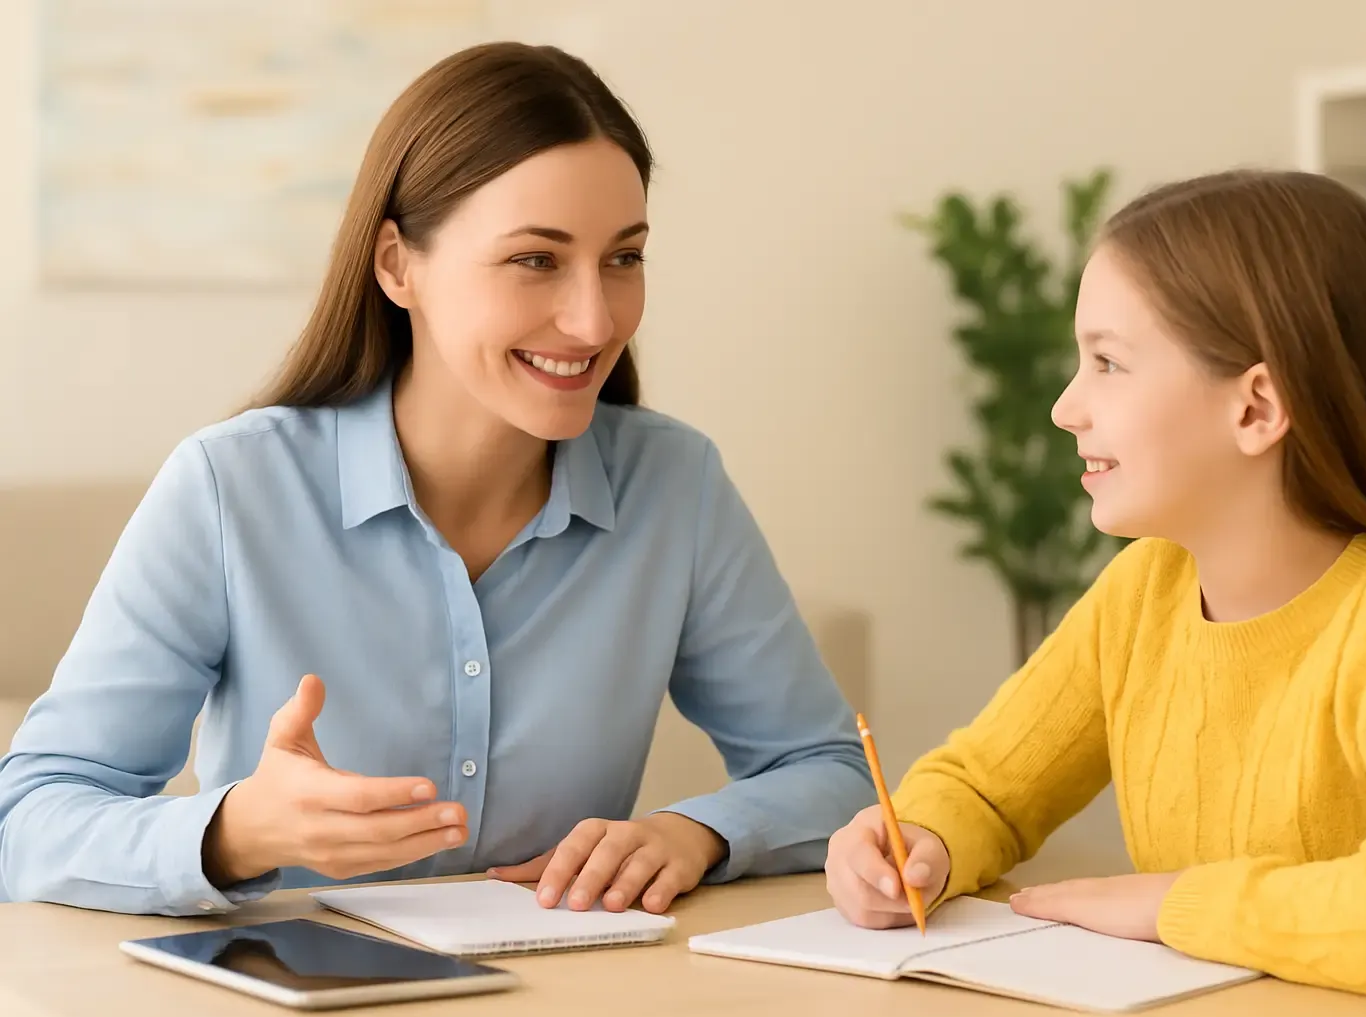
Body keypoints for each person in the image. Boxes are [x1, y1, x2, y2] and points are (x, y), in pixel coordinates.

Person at [0, 41, 874, 918]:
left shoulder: (674, 485)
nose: (594, 320)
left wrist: (694, 834)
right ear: (397, 264)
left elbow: (832, 772)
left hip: (580, 983)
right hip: (297, 983)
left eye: (624, 258)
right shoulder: (231, 488)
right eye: (536, 260)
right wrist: (237, 834)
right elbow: (27, 821)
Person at [824, 169, 1366, 1013]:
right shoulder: (1144, 591)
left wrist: (1170, 903)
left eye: (1107, 363)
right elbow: (987, 785)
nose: (1065, 408)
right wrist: (920, 840)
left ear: (1256, 408)